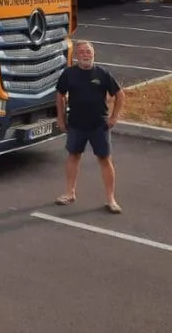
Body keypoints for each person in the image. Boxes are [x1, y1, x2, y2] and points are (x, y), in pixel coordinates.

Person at [54, 39, 125, 213]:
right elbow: (60, 95)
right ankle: (69, 193)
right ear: (77, 55)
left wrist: (114, 117)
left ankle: (111, 199)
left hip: (99, 125)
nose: (86, 54)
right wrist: (61, 119)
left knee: (104, 160)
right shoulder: (68, 74)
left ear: (94, 54)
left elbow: (120, 94)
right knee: (73, 156)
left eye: (88, 51)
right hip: (76, 124)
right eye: (82, 52)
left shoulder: (102, 74)